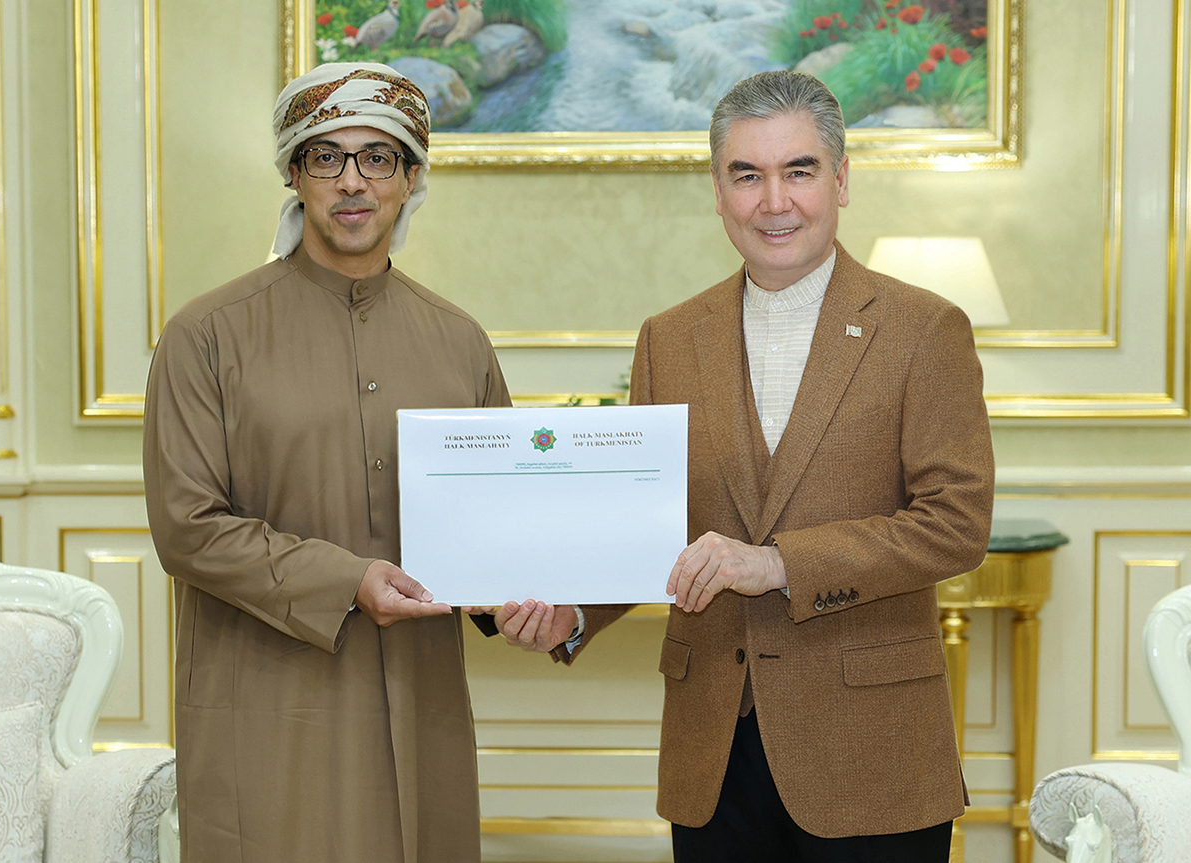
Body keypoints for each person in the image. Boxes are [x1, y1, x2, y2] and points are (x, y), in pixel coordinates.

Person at [491, 70, 995, 862]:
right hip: (713, 754)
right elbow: (651, 525)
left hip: (872, 755)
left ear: (841, 180)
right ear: (718, 192)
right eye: (747, 175)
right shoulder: (668, 338)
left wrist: (778, 563)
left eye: (798, 170)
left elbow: (954, 525)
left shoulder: (923, 329)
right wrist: (574, 612)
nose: (774, 201)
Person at [142, 62, 510, 863]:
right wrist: (348, 578)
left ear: (411, 178)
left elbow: (495, 524)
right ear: (293, 174)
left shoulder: (460, 342)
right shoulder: (205, 335)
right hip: (266, 710)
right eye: (326, 156)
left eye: (378, 157)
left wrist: (522, 590)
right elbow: (186, 527)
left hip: (421, 701)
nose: (352, 181)